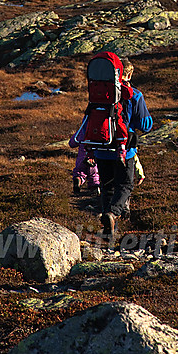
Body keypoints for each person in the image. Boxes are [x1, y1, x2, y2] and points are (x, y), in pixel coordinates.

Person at [70, 55, 152, 239]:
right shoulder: (134, 95)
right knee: (125, 185)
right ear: (127, 74)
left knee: (107, 187)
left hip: (101, 149)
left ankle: (110, 232)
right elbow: (146, 125)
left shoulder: (98, 94)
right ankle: (113, 214)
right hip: (125, 152)